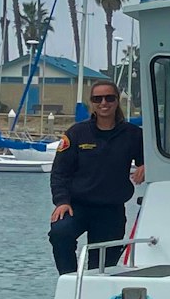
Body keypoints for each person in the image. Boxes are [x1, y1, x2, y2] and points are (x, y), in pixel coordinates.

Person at [48, 78, 146, 275]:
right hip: (77, 206)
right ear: (91, 102)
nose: (103, 103)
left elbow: (151, 159)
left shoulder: (133, 134)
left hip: (111, 211)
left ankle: (94, 298)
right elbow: (60, 172)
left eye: (109, 98)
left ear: (117, 101)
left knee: (101, 270)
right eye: (97, 99)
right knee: (59, 233)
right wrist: (61, 201)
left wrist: (146, 165)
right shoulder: (77, 133)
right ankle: (69, 280)